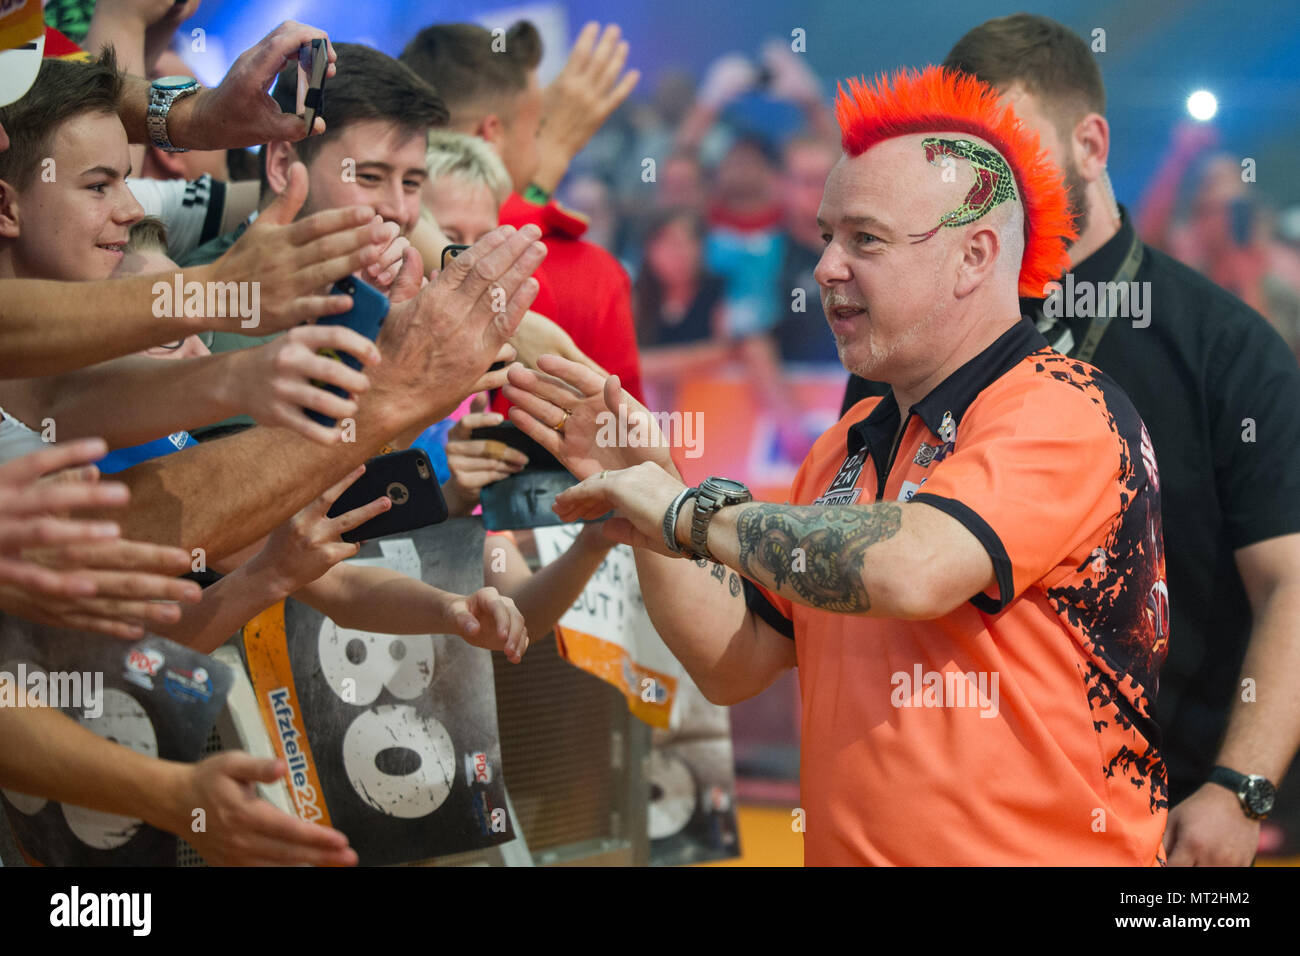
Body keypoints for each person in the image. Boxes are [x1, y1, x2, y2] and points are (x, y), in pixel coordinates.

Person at [505, 65, 1172, 866]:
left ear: (974, 256)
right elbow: (736, 661)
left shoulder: (1061, 405)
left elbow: (909, 569)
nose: (824, 267)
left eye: (866, 238)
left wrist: (689, 514)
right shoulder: (850, 438)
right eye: (826, 235)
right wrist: (652, 507)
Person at [843, 13, 1300, 865]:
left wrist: (1241, 787)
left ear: (1091, 144)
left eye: (1012, 146)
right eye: (966, 155)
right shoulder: (902, 333)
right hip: (939, 825)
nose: (988, 180)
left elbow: (1291, 586)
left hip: (1163, 829)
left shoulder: (1225, 349)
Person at [401, 20, 645, 405]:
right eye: (537, 131)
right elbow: (639, 453)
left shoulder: (362, 248)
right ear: (489, 134)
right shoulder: (583, 272)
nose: (542, 157)